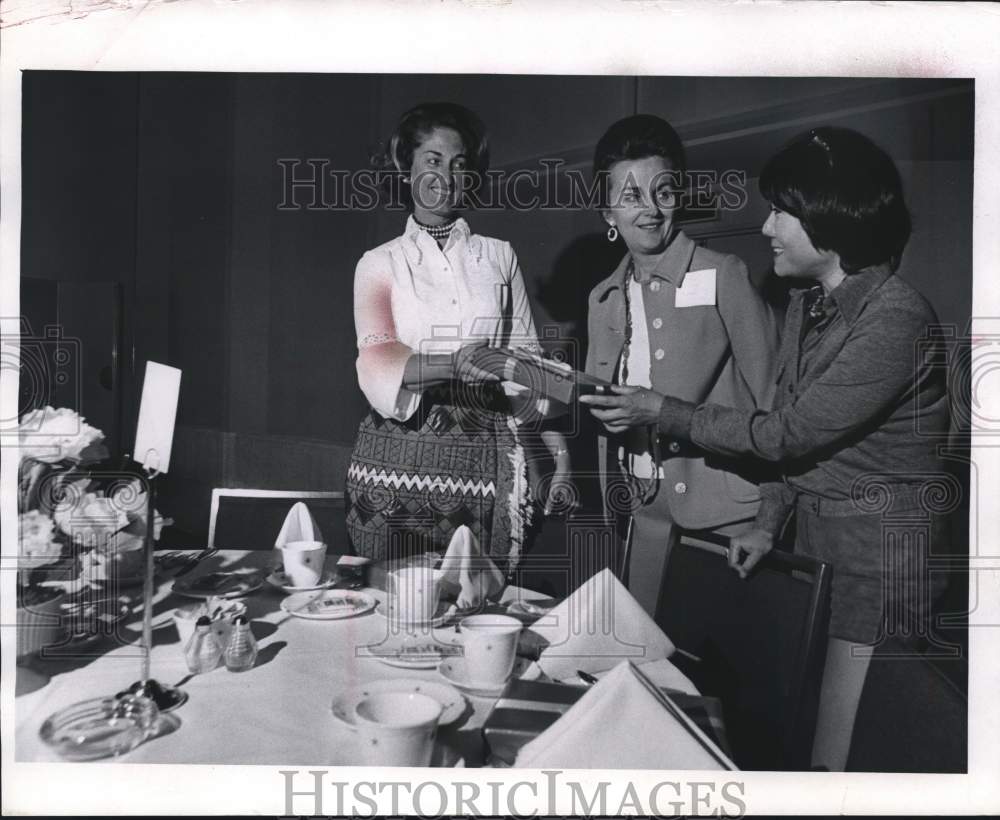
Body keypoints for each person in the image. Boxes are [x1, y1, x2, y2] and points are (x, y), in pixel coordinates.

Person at [582, 126, 950, 770]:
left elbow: (784, 434)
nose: (766, 227)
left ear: (827, 218)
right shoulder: (811, 306)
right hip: (815, 546)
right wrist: (772, 518)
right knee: (796, 739)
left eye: (782, 211)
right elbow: (788, 434)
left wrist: (660, 409)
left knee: (844, 755)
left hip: (879, 563)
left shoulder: (896, 318)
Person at [346, 101, 567, 572]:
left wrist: (560, 457)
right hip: (396, 461)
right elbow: (378, 360)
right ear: (406, 169)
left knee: (479, 610)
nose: (446, 175)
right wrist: (464, 361)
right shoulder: (379, 262)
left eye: (459, 164)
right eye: (432, 160)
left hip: (487, 458)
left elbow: (530, 367)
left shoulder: (499, 257)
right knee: (400, 609)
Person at [580, 114, 779, 616]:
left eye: (662, 192)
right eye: (630, 197)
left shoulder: (723, 274)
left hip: (726, 515)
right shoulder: (601, 298)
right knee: (648, 658)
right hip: (640, 510)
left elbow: (779, 410)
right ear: (608, 212)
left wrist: (770, 523)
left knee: (718, 676)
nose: (649, 210)